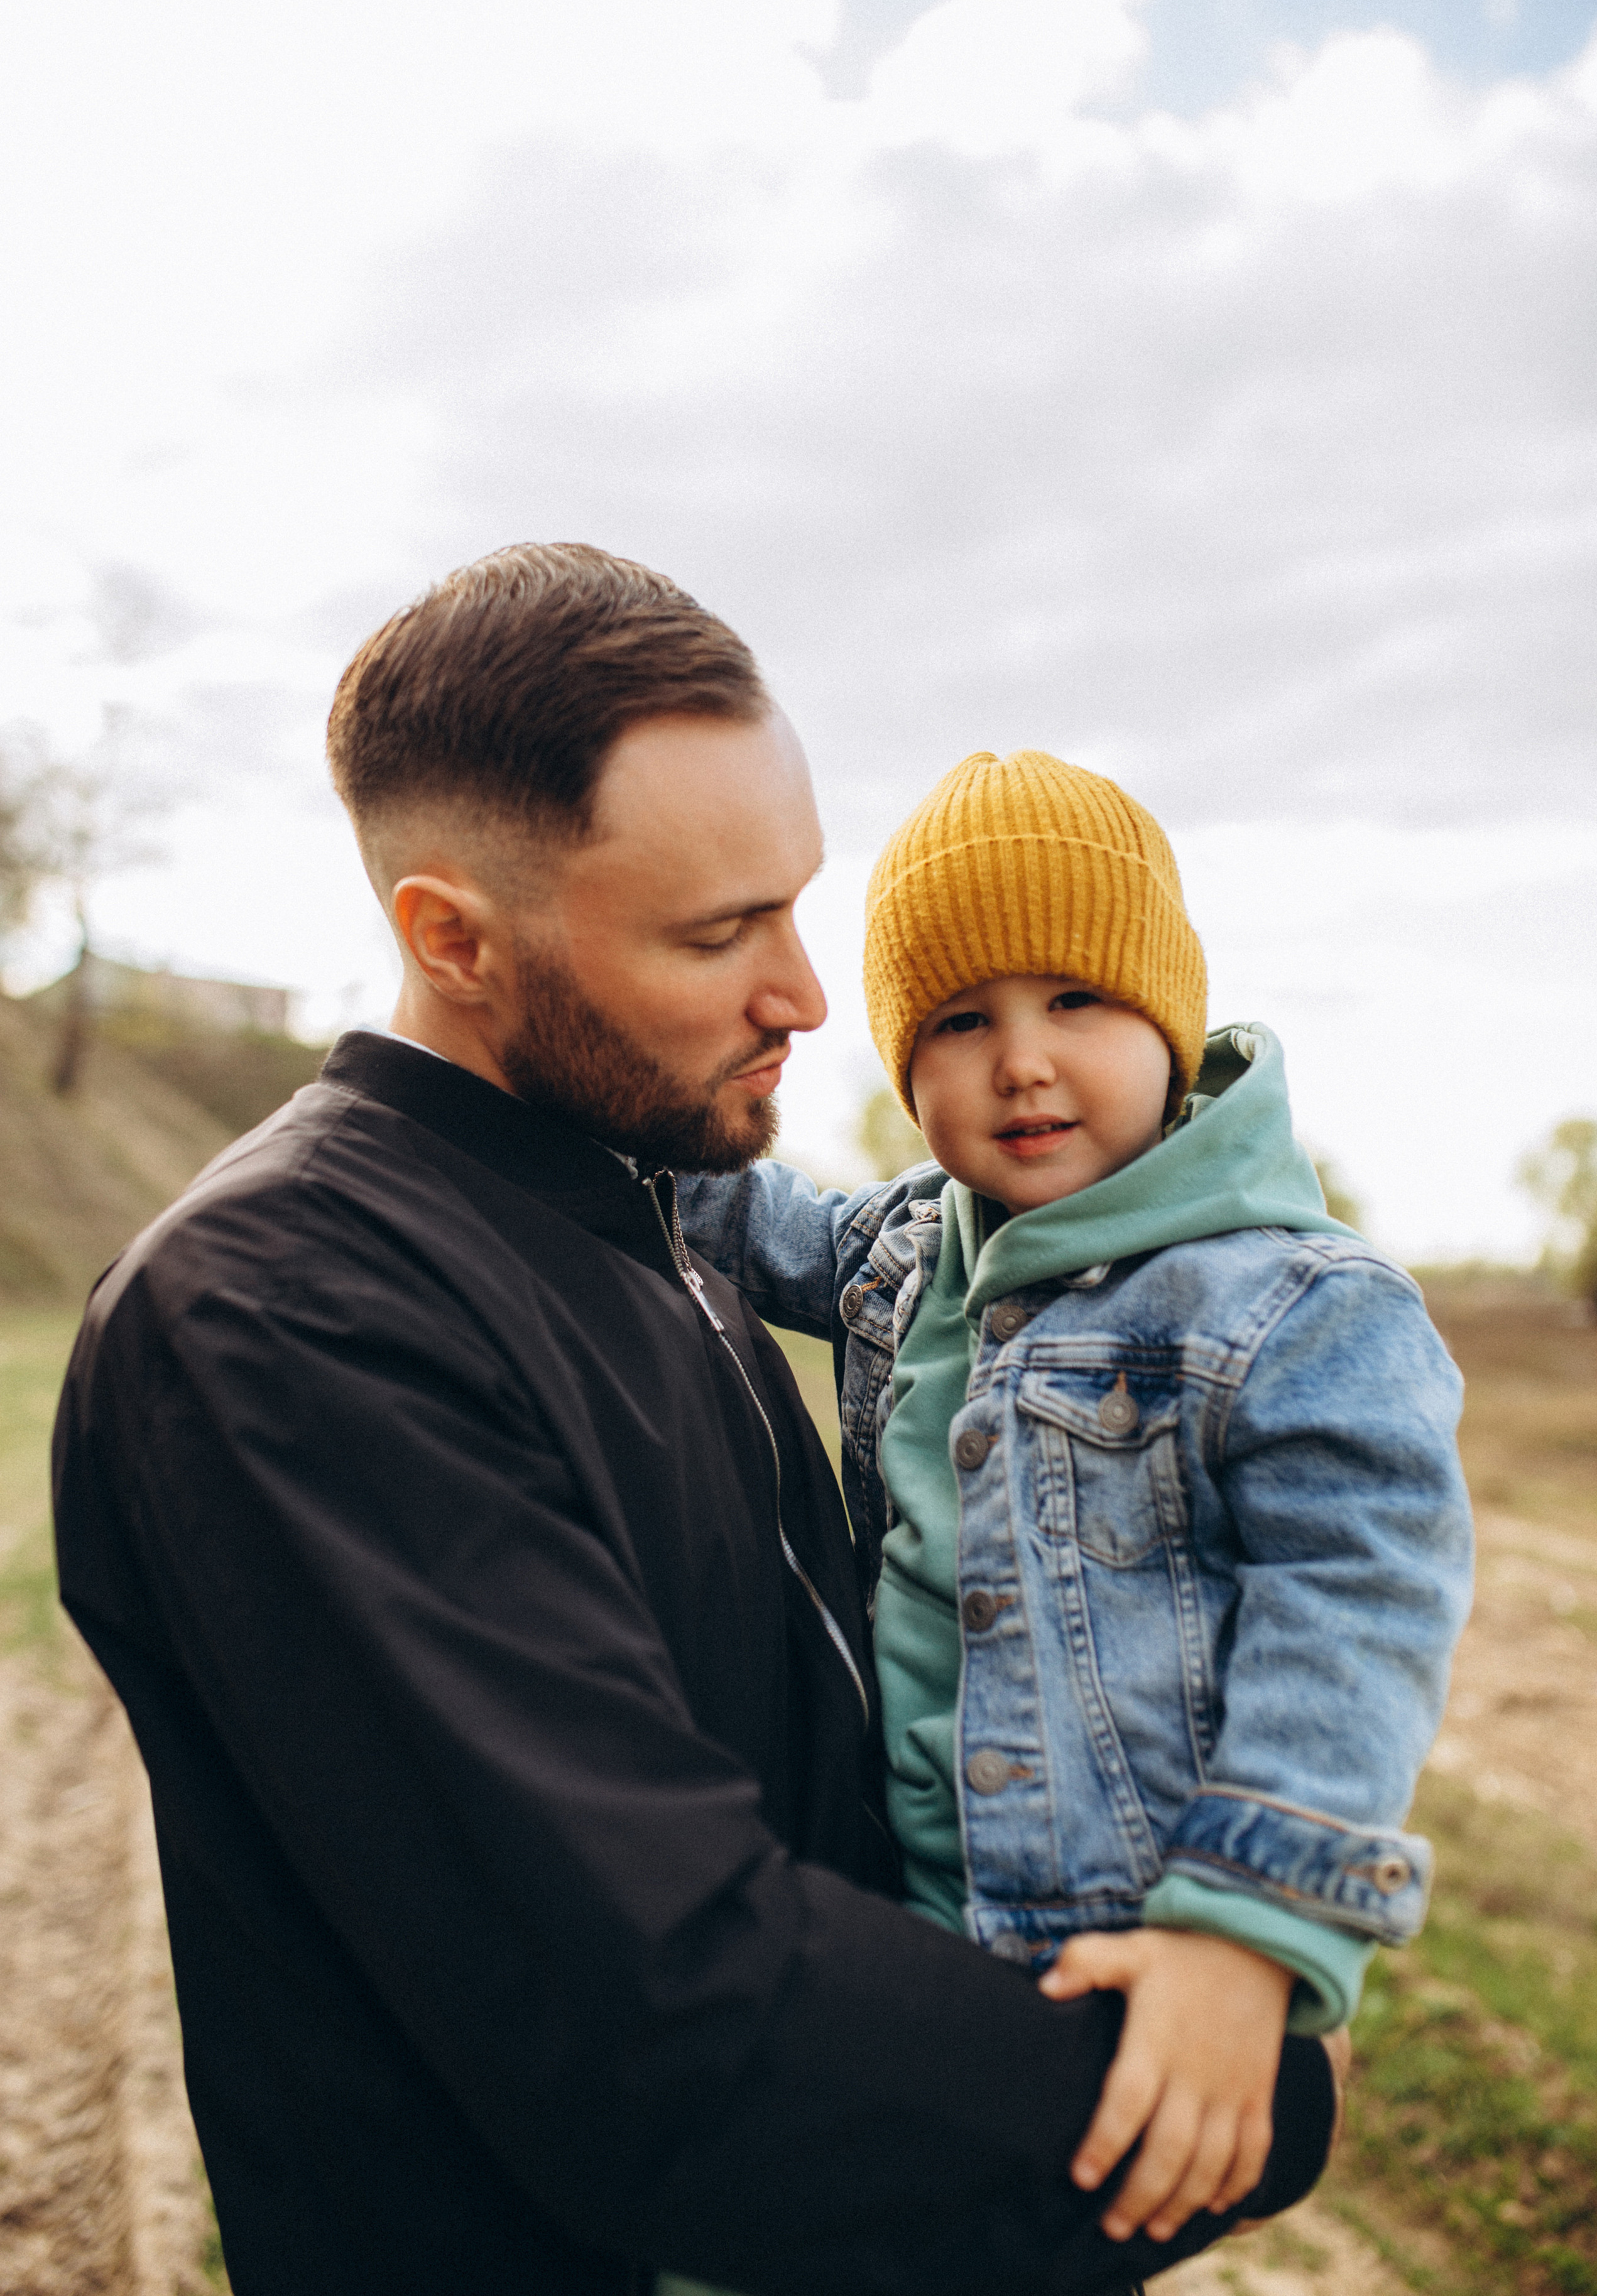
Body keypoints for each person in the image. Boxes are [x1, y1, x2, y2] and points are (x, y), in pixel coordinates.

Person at [53, 555, 1336, 2296]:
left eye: (797, 906)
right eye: (720, 933)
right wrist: (1234, 2093)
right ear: (454, 937)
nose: (808, 997)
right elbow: (669, 2027)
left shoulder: (652, 1206)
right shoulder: (282, 1314)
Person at [680, 748, 1474, 2248]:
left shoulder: (1291, 1302)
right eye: (959, 1022)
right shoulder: (913, 1254)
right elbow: (727, 1203)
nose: (1019, 1062)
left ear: (1168, 1021)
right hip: (884, 1920)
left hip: (1107, 1955)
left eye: (1077, 1004)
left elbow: (1358, 1608)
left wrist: (1246, 1934)